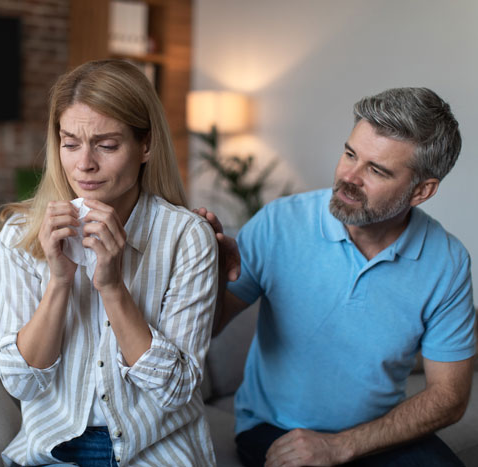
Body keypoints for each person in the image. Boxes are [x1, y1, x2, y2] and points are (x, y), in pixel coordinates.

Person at [198, 87, 475, 466]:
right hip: (274, 428)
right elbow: (207, 329)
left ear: (421, 191)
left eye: (375, 170)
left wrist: (341, 445)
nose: (349, 176)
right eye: (350, 154)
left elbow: (449, 397)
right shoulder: (280, 222)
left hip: (378, 433)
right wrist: (205, 273)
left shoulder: (447, 261)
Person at [0, 59, 218, 467]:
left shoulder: (187, 237)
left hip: (157, 451)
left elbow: (177, 390)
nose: (85, 165)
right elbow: (20, 382)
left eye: (107, 145)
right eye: (70, 142)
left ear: (145, 145)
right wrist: (59, 283)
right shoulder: (20, 235)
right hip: (54, 450)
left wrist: (112, 286)